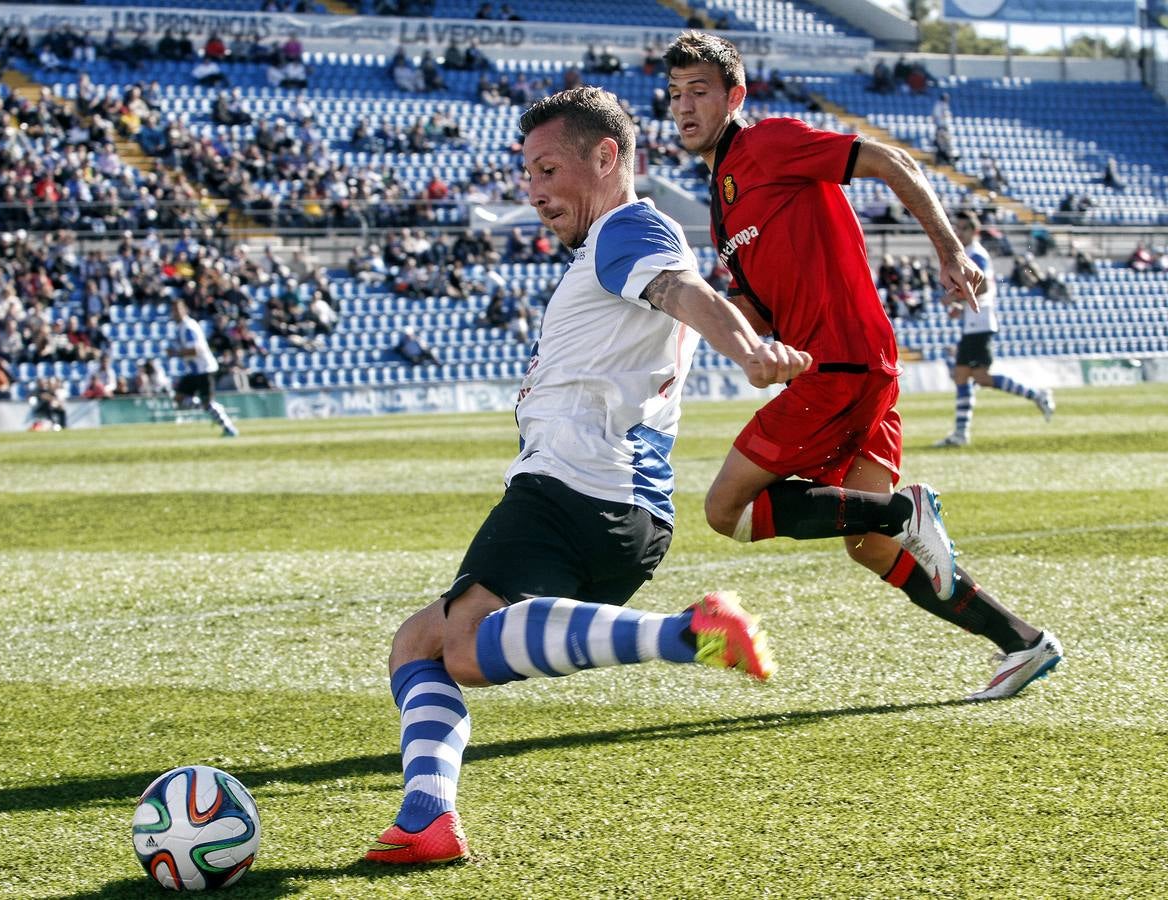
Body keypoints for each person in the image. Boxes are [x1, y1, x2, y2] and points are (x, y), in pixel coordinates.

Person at [365, 85, 816, 867]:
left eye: (548, 169)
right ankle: (426, 817)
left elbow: (685, 292)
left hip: (573, 488)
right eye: (527, 174)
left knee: (460, 647)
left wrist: (746, 349)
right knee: (421, 643)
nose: (534, 191)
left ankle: (689, 633)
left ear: (606, 158)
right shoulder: (617, 246)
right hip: (620, 508)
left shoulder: (627, 229)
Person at [663, 32, 1061, 702]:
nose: (683, 106)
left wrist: (950, 249)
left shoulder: (768, 143)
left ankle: (903, 512)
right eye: (674, 94)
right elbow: (755, 310)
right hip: (856, 369)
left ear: (735, 96)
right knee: (871, 544)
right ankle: (1023, 642)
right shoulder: (721, 199)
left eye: (699, 91)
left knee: (726, 508)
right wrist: (684, 333)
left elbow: (890, 160)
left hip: (840, 365)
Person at [934, 211, 1055, 448]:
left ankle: (1037, 395)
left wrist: (954, 297)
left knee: (972, 376)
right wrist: (960, 305)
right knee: (969, 376)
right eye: (957, 228)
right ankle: (961, 432)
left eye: (963, 228)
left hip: (980, 323)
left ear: (974, 231)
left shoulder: (976, 255)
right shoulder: (969, 254)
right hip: (975, 322)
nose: (958, 232)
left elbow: (982, 289)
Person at [167, 299, 239, 437]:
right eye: (174, 310)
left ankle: (229, 429)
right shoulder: (182, 327)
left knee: (205, 402)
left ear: (184, 310)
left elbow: (194, 350)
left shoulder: (188, 327)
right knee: (179, 398)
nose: (175, 313)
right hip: (194, 371)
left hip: (203, 369)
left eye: (178, 309)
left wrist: (175, 353)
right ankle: (214, 409)